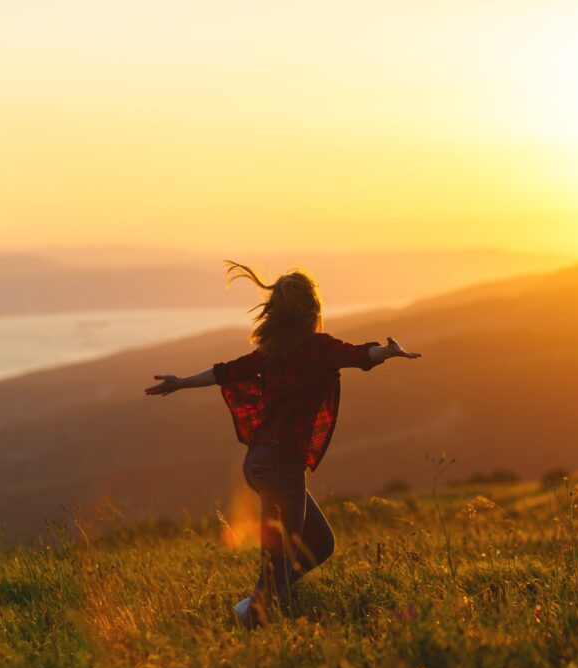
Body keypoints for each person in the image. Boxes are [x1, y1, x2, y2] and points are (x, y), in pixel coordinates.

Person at [144, 261, 421, 629]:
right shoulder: (317, 349)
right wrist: (387, 353)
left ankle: (258, 603)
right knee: (280, 557)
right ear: (312, 311)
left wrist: (180, 382)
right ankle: (252, 618)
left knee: (319, 544)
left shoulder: (270, 353)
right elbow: (358, 355)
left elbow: (223, 372)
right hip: (281, 466)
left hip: (259, 463)